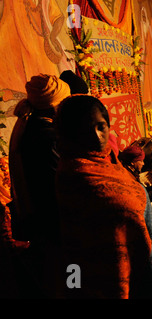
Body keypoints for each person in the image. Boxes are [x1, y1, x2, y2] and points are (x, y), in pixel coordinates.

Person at [54, 95, 152, 298]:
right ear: (71, 133)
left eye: (101, 126)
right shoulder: (74, 173)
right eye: (86, 129)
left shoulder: (110, 161)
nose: (97, 136)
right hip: (105, 266)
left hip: (135, 253)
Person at [8, 74, 71, 297]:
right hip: (53, 219)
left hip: (39, 216)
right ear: (56, 106)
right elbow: (61, 180)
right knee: (68, 271)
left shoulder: (31, 126)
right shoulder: (47, 136)